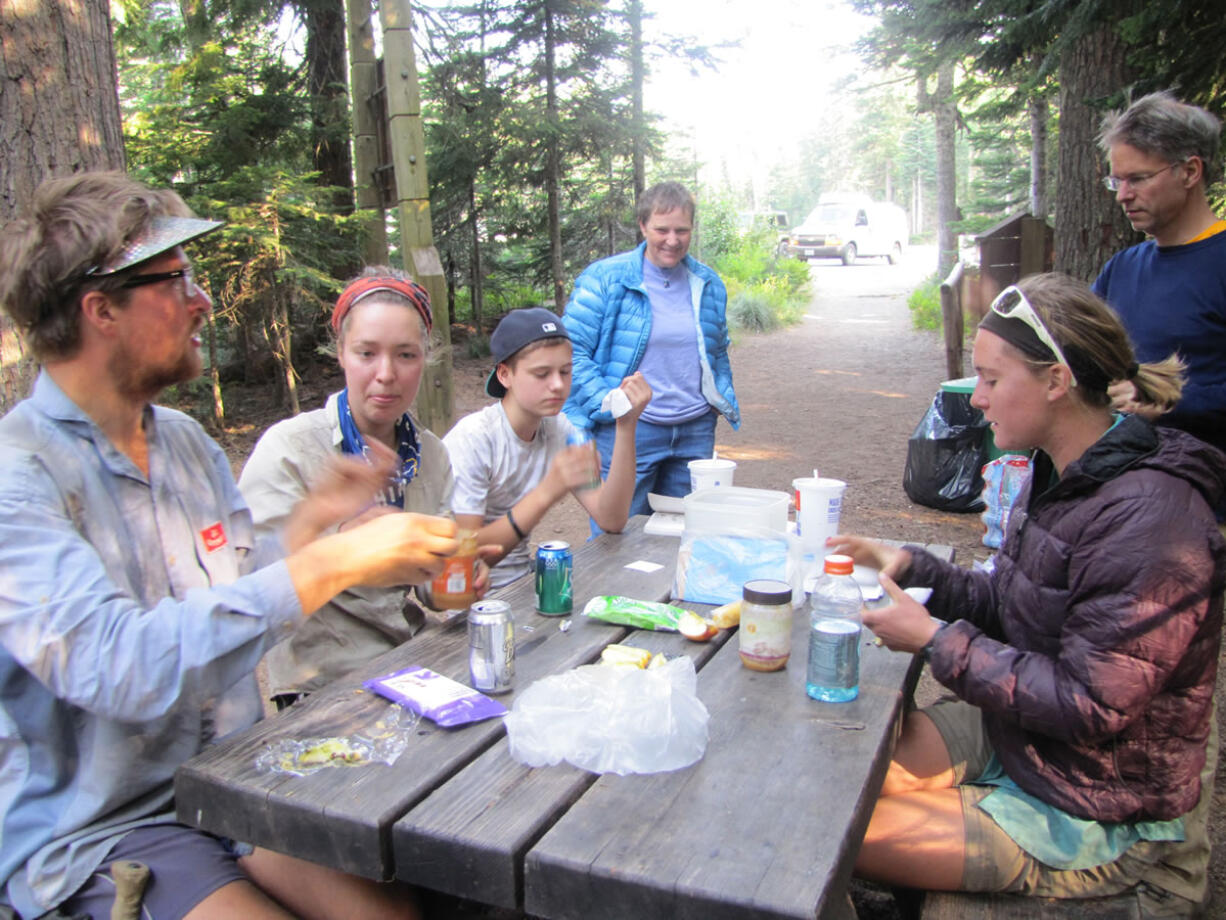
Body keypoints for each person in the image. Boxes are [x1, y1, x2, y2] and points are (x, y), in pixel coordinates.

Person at [0, 172, 453, 920]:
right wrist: (332, 561)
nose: (202, 301)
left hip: (225, 786)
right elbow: (123, 667)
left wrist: (315, 527)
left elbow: (232, 600)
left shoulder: (182, 444)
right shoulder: (20, 478)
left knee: (394, 914)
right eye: (176, 281)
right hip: (97, 831)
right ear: (100, 309)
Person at [838, 274, 1226, 913]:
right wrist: (910, 564)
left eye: (992, 379)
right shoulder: (1066, 472)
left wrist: (935, 639)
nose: (978, 399)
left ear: (1056, 381)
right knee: (843, 781)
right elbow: (1012, 605)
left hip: (1098, 804)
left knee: (844, 829)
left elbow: (1089, 703)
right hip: (1023, 738)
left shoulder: (1150, 518)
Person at [239, 267, 486, 706]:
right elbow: (249, 588)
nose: (386, 374)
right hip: (322, 685)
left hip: (412, 663)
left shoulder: (430, 454)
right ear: (341, 353)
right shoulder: (290, 449)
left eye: (406, 355)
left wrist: (460, 576)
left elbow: (437, 594)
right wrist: (342, 537)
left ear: (425, 359)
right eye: (367, 353)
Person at [562, 181, 739, 519]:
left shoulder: (708, 283)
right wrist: (613, 405)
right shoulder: (605, 278)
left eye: (681, 230)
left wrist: (715, 402)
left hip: (694, 430)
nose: (672, 240)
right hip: (629, 432)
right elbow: (571, 352)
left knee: (685, 537)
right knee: (618, 537)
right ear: (643, 225)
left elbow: (716, 351)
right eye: (662, 229)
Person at [443, 307, 651, 588]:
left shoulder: (559, 429)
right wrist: (547, 492)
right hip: (473, 602)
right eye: (542, 374)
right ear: (505, 375)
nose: (557, 385)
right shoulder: (473, 439)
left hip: (523, 586)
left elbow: (611, 519)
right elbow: (462, 560)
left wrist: (626, 426)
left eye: (565, 372)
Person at [1093, 91, 1226, 457]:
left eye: (1137, 178)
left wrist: (1167, 399)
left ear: (1190, 171)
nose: (1123, 195)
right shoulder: (1121, 268)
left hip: (1208, 498)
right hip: (1126, 491)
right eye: (1116, 180)